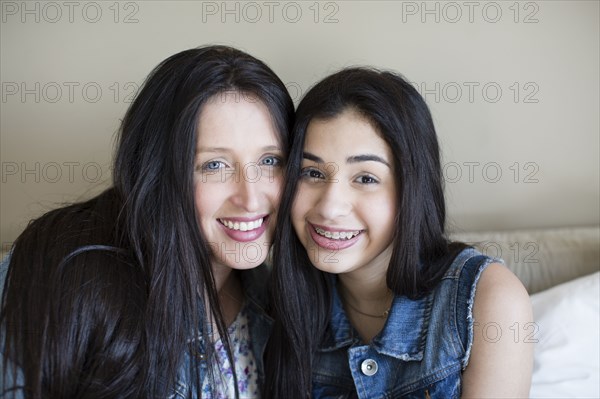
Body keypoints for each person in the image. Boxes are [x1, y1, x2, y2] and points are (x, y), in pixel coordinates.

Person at [0, 45, 293, 398]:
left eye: (270, 161)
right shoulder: (59, 269)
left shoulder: (276, 303)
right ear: (158, 171)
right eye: (214, 165)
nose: (250, 197)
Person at [264, 68, 533, 398]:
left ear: (411, 191)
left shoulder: (487, 300)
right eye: (313, 172)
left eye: (365, 178)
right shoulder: (274, 300)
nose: (330, 207)